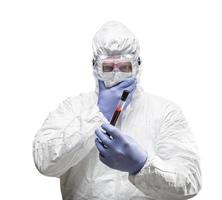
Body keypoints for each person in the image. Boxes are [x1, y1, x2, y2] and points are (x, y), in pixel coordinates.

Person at [33, 21, 201, 200]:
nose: (116, 75)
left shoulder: (164, 112)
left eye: (124, 67)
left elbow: (189, 181)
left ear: (137, 66)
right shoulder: (73, 108)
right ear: (95, 67)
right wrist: (98, 114)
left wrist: (141, 165)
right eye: (108, 68)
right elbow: (45, 163)